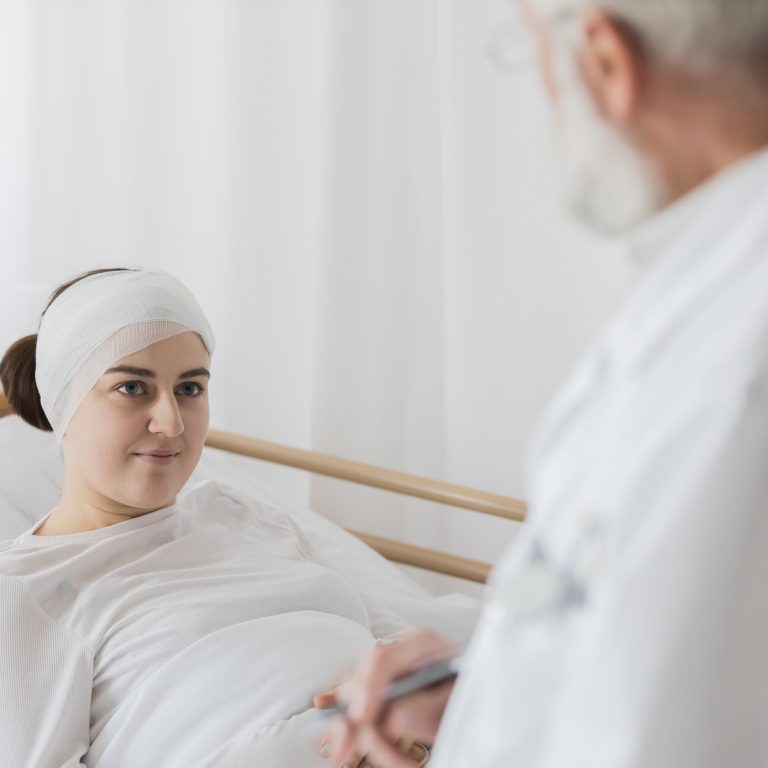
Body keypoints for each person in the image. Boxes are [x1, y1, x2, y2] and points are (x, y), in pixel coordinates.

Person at [320, 0, 768, 765]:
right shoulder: (705, 284)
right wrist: (484, 686)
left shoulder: (730, 356)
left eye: (534, 56)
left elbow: (661, 729)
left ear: (605, 61)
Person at [0, 267, 428, 768]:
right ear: (62, 402)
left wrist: (404, 706)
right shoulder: (29, 591)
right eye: (132, 388)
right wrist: (308, 746)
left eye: (190, 388)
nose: (171, 422)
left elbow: (402, 647)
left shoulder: (236, 512)